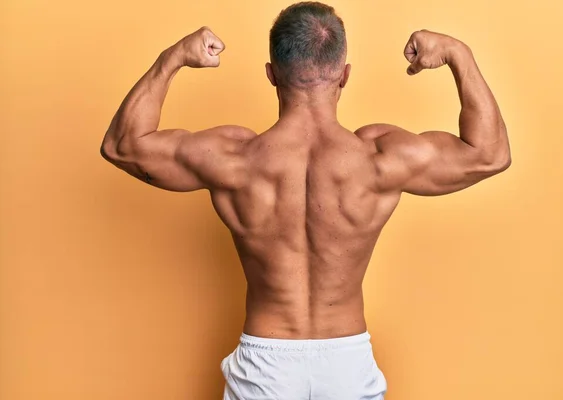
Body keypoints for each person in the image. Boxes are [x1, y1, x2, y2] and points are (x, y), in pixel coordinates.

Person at [100, 2, 511, 399]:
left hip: (265, 366)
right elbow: (490, 154)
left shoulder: (234, 159)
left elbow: (123, 146)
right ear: (345, 75)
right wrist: (460, 54)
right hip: (346, 362)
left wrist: (170, 59)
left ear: (271, 75)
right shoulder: (378, 159)